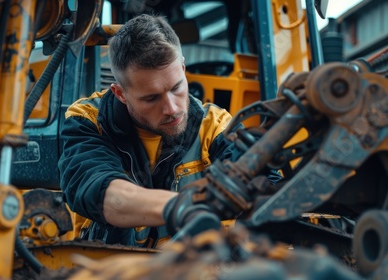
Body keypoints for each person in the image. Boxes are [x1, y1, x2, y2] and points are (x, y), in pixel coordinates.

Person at [58, 14, 247, 248]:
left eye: (177, 87)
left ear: (183, 68)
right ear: (120, 94)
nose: (172, 109)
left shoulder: (215, 125)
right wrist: (183, 210)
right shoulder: (88, 121)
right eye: (151, 98)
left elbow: (263, 182)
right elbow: (96, 189)